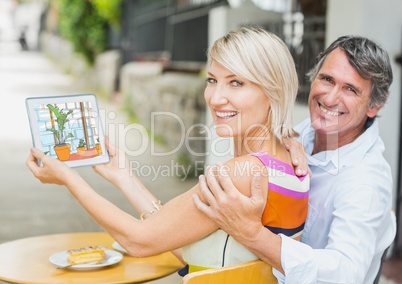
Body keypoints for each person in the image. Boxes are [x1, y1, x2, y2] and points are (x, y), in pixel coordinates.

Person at [26, 26, 309, 273]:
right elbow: (186, 247)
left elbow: (140, 241)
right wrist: (126, 179)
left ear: (274, 91)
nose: (216, 97)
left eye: (236, 82)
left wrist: (68, 178)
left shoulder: (242, 173)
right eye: (212, 80)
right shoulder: (289, 164)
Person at [193, 35, 396, 283]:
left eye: (350, 89)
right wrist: (286, 140)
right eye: (327, 79)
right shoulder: (303, 134)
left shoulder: (366, 180)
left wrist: (253, 234)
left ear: (374, 106)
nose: (330, 98)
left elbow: (346, 273)